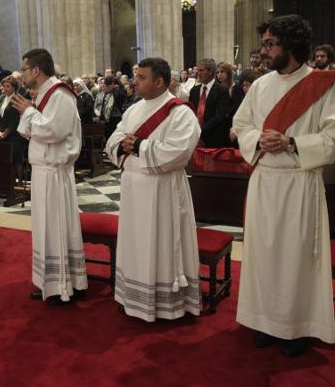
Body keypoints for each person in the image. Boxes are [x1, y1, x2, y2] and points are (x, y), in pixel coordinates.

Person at [233, 14, 335, 357]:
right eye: (265, 44)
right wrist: (259, 139)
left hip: (300, 184)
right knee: (264, 255)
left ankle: (296, 326)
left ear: (292, 46)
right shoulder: (260, 85)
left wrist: (292, 143)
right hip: (265, 182)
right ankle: (267, 321)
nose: (264, 51)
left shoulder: (321, 85)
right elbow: (241, 125)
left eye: (271, 44)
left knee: (296, 258)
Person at [105, 57, 201, 322]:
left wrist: (137, 147)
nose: (135, 81)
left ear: (159, 81)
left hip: (163, 193)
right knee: (136, 242)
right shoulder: (134, 110)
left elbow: (178, 152)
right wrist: (125, 146)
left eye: (141, 77)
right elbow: (114, 138)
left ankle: (166, 304)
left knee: (161, 243)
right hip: (134, 190)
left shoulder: (181, 112)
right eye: (136, 76)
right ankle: (133, 298)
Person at [11, 48, 87, 303]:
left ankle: (63, 285)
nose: (21, 74)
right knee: (45, 229)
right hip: (43, 172)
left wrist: (29, 112)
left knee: (55, 228)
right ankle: (49, 282)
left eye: (23, 69)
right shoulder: (44, 94)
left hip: (55, 174)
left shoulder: (61, 94)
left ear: (36, 70)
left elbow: (55, 130)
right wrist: (30, 111)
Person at [0, 76, 27, 182]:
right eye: (4, 86)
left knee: (17, 158)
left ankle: (20, 182)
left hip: (14, 134)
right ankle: (9, 181)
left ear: (14, 88)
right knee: (5, 159)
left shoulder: (17, 98)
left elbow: (15, 119)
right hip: (1, 133)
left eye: (8, 86)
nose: (5, 88)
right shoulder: (0, 98)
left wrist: (6, 133)